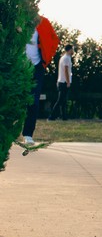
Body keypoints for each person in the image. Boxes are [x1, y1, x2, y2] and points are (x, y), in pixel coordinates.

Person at [20, 17, 59, 145]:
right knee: (14, 98)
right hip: (18, 66)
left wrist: (46, 59)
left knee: (34, 101)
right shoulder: (18, 19)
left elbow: (55, 40)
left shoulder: (43, 22)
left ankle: (28, 134)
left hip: (37, 68)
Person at [50, 44, 74, 120]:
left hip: (61, 81)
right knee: (60, 100)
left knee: (63, 101)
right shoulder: (67, 58)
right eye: (72, 49)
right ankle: (52, 116)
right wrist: (68, 81)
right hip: (64, 81)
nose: (73, 51)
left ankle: (64, 116)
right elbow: (66, 70)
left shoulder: (63, 58)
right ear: (70, 50)